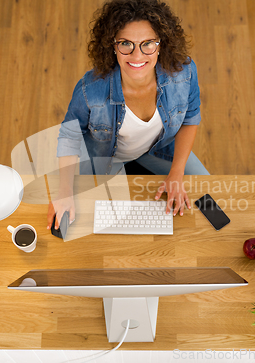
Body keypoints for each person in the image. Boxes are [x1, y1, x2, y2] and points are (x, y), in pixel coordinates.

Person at [47, 0, 209, 232]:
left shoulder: (184, 72)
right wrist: (64, 192)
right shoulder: (90, 89)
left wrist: (176, 172)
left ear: (161, 44)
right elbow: (69, 136)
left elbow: (191, 118)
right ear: (112, 46)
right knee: (109, 226)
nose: (137, 55)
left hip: (159, 148)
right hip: (107, 159)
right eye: (126, 44)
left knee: (210, 193)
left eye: (148, 44)